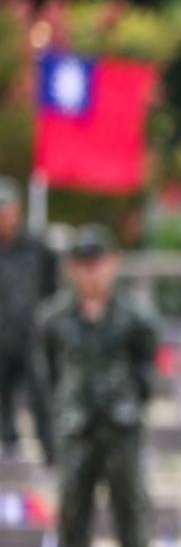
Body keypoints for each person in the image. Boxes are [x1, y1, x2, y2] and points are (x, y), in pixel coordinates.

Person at [40, 226, 157, 547]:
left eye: (98, 262)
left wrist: (131, 403)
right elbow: (50, 374)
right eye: (82, 263)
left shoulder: (136, 316)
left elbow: (146, 369)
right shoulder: (54, 318)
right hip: (76, 424)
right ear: (71, 268)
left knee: (130, 505)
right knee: (73, 503)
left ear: (113, 263)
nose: (91, 272)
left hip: (121, 425)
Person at [0, 177, 57, 462]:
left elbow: (53, 287)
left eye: (6, 211)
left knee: (41, 397)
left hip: (32, 336)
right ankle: (8, 454)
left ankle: (51, 453)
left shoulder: (37, 248)